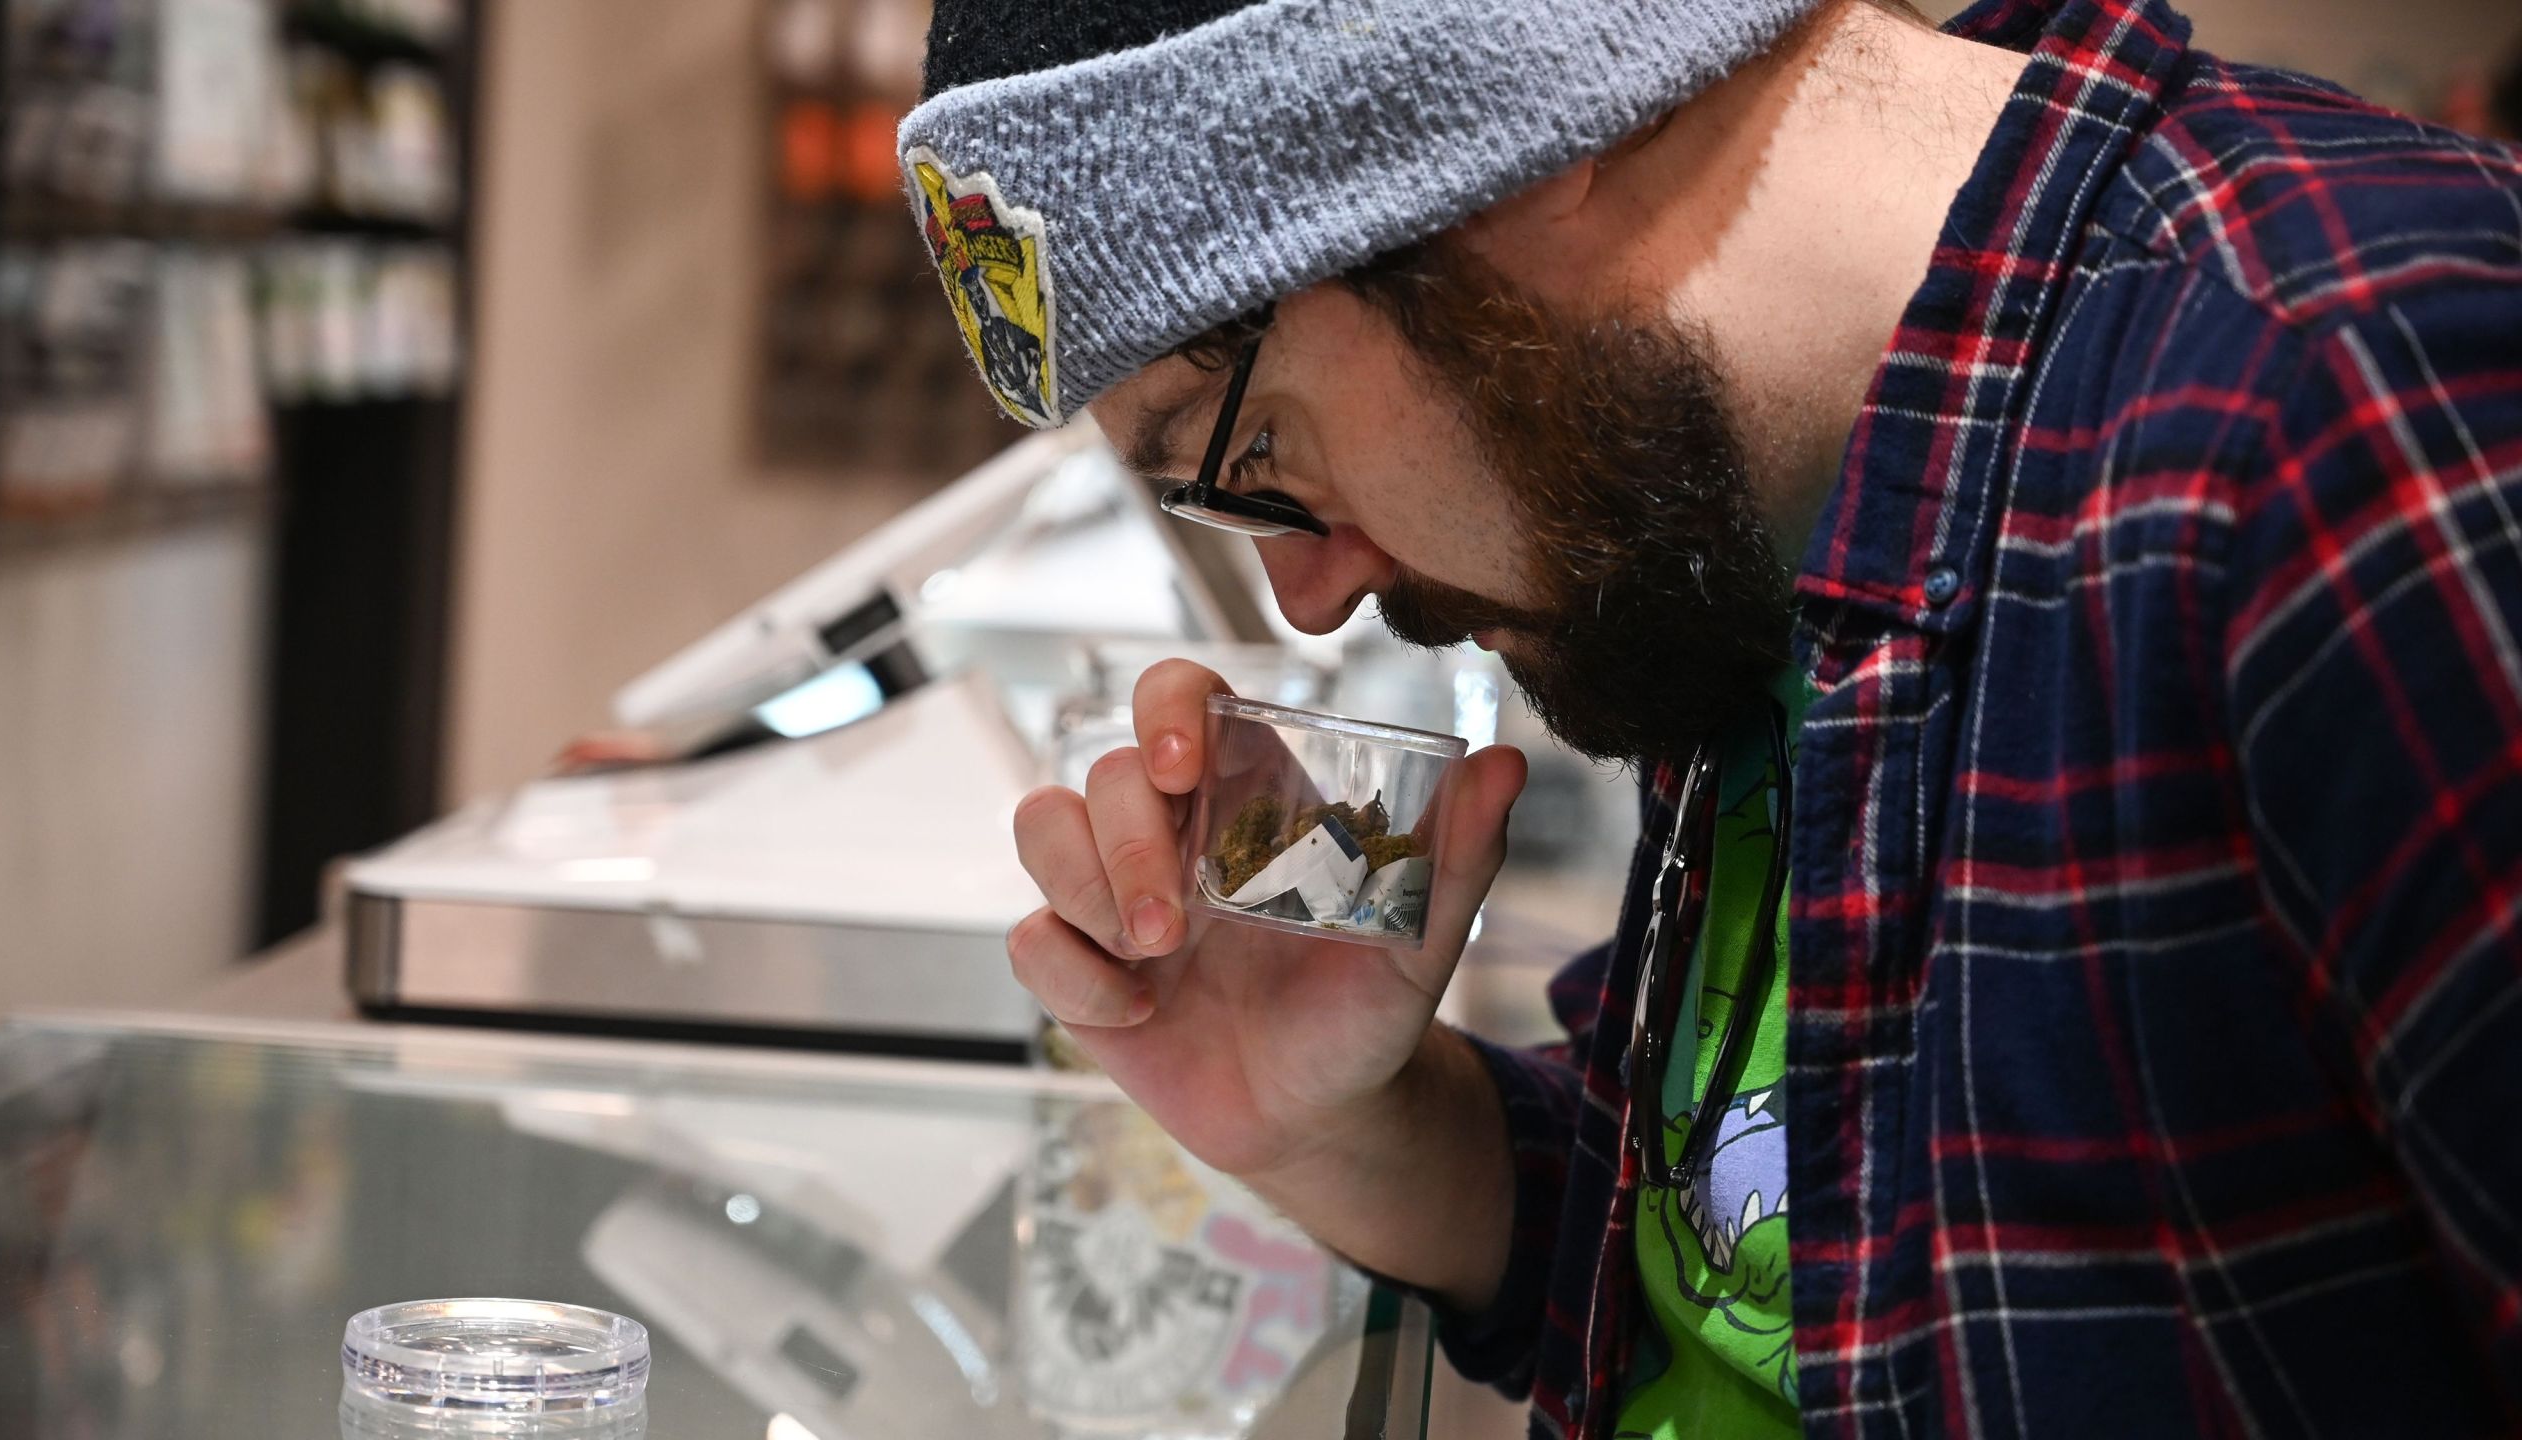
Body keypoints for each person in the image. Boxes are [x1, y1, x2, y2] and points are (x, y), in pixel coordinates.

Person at [898, 0, 2522, 1434]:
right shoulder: (1742, 503)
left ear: (1503, 117)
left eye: (1243, 448)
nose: (1308, 596)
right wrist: (1349, 1127)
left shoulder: (2367, 416)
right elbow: (1766, 1270)